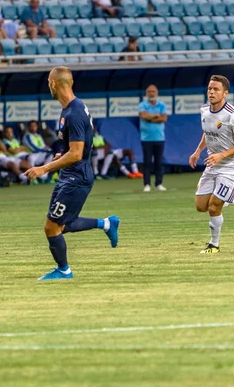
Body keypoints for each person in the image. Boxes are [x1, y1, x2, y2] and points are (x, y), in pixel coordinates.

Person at [24, 66, 120, 280]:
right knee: (60, 224)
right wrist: (59, 156)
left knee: (52, 226)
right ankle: (106, 223)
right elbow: (72, 148)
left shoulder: (74, 113)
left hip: (76, 178)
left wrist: (44, 168)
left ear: (53, 84)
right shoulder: (70, 109)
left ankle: (64, 270)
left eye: (48, 81)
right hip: (70, 175)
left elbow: (76, 154)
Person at [189, 75, 234, 254]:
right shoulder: (204, 110)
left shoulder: (233, 115)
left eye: (216, 89)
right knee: (201, 206)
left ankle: (213, 245)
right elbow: (208, 133)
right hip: (212, 165)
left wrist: (222, 155)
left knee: (213, 206)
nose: (211, 92)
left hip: (231, 167)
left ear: (225, 93)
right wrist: (197, 151)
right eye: (210, 88)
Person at [138, 85, 167, 192]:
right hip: (146, 138)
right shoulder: (142, 105)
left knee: (159, 162)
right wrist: (156, 116)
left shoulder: (162, 104)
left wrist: (150, 118)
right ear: (146, 93)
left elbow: (163, 118)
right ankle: (147, 184)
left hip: (159, 138)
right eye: (149, 91)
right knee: (147, 162)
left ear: (157, 92)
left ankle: (159, 183)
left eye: (153, 91)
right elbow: (144, 116)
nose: (151, 93)